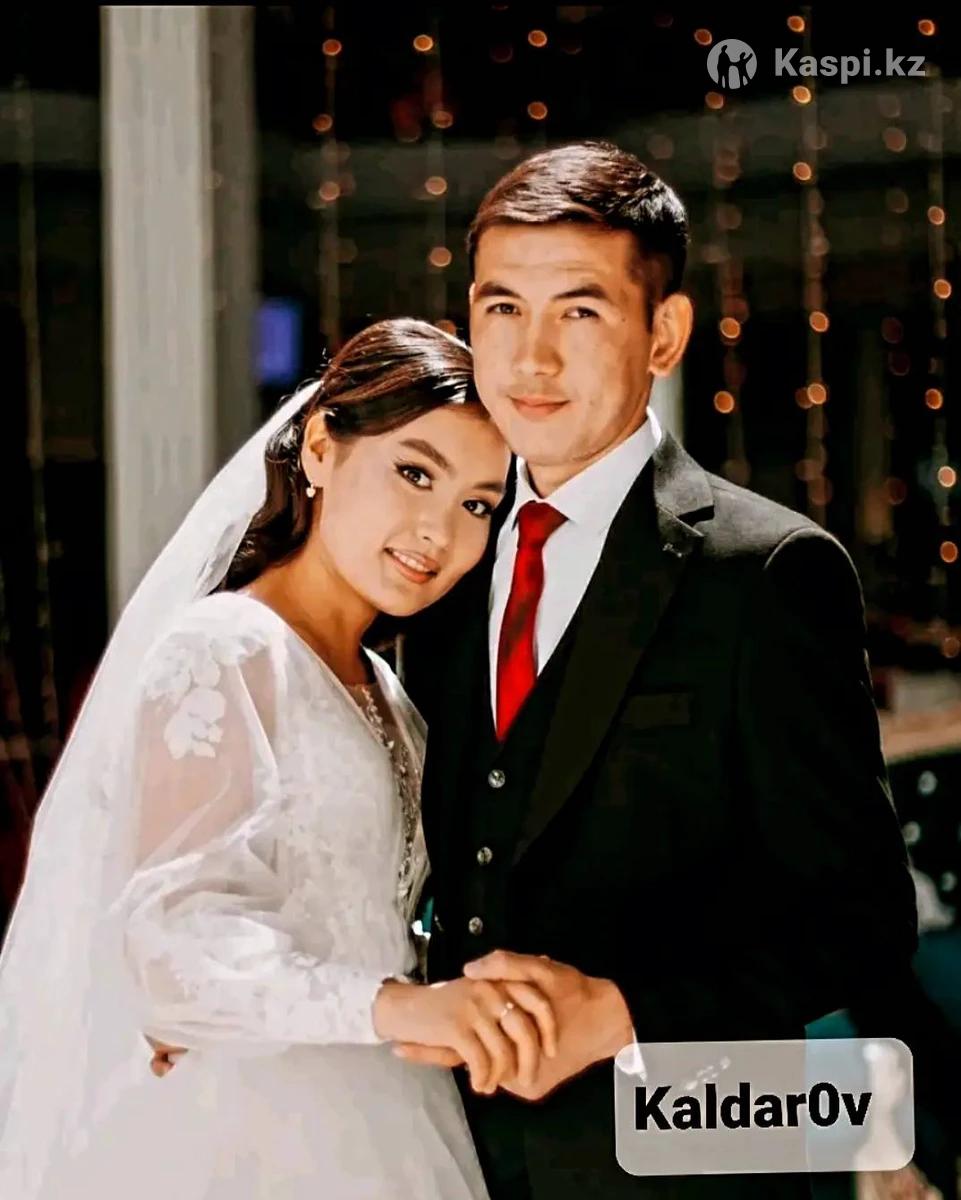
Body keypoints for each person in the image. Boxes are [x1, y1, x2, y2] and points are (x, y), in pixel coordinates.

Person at [385, 141, 919, 1198]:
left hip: (680, 1164)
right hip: (446, 1155)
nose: (531, 357)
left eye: (578, 311)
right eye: (501, 309)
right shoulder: (437, 561)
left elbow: (858, 925)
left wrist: (621, 1011)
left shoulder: (767, 571)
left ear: (663, 334)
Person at [0, 318, 563, 1199]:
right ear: (321, 449)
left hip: (390, 1106)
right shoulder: (224, 651)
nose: (437, 530)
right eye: (415, 473)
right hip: (248, 1130)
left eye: (477, 505)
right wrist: (397, 1006)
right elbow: (171, 941)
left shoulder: (387, 693)